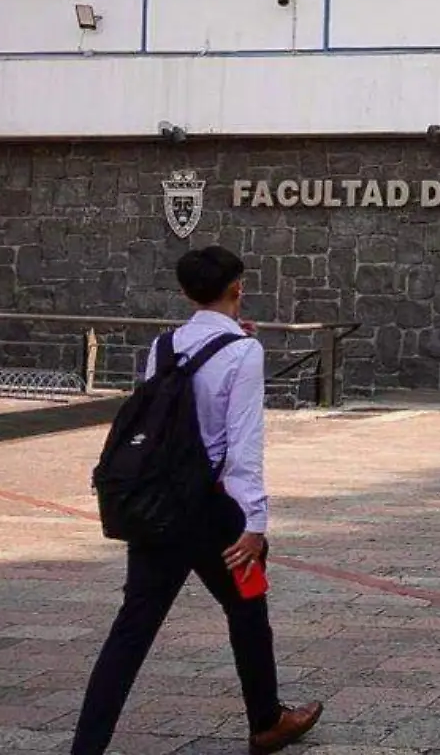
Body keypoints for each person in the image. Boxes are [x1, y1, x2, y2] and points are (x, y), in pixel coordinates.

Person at [72, 247, 322, 755]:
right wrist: (254, 521)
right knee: (248, 606)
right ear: (238, 288)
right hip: (217, 514)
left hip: (158, 509)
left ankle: (87, 746)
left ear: (187, 293)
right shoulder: (244, 352)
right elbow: (243, 443)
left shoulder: (163, 347)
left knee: (132, 630)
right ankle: (266, 721)